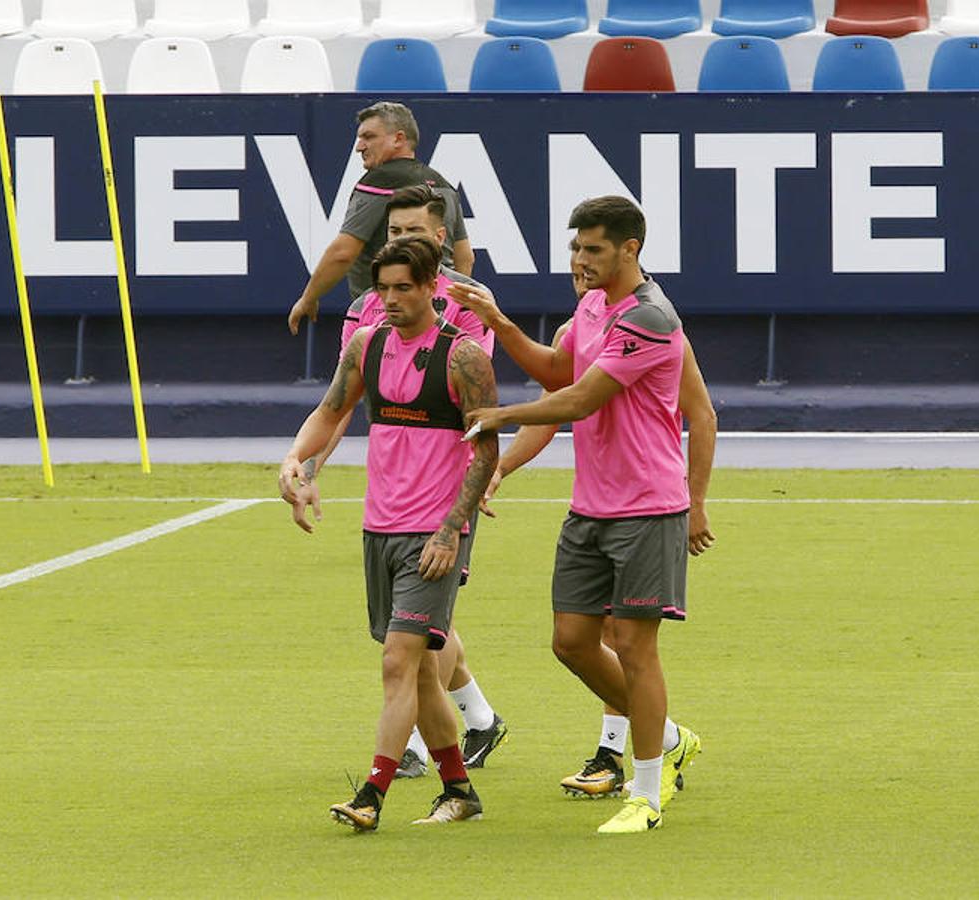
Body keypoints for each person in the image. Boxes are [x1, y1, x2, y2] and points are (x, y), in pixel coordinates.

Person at [457, 196, 704, 835]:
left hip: (648, 506)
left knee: (634, 647)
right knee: (571, 642)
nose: (580, 260)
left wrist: (501, 417)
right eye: (576, 248)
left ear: (631, 248)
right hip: (590, 505)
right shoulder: (591, 306)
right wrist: (502, 324)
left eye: (593, 249)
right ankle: (669, 736)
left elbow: (585, 398)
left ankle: (646, 794)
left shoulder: (650, 316)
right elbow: (557, 372)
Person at [279, 235, 499, 831]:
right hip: (380, 526)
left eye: (405, 287)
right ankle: (459, 791)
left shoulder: (463, 357)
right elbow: (330, 412)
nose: (393, 299)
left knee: (398, 661)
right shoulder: (366, 345)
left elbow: (485, 453)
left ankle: (371, 795)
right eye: (384, 288)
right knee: (423, 669)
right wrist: (296, 460)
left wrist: (454, 528)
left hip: (436, 531)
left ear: (433, 287)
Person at [286, 101, 473, 336]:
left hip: (387, 320)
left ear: (398, 139)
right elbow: (465, 258)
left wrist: (308, 298)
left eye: (369, 137)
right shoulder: (444, 185)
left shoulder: (378, 182)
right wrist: (452, 306)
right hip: (438, 317)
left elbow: (343, 253)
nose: (359, 146)